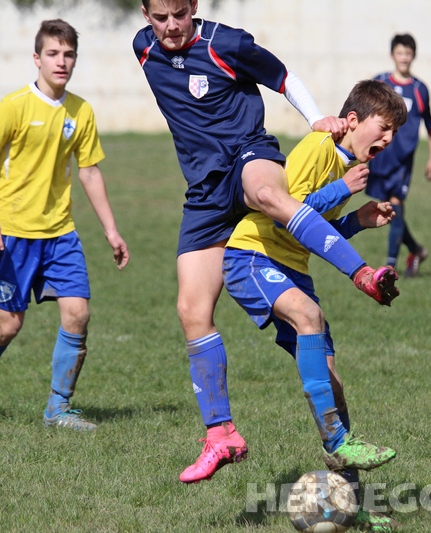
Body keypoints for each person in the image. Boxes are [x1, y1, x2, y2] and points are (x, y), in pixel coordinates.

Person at [133, 0, 399, 484]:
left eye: (180, 13)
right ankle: (221, 434)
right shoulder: (143, 48)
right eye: (160, 17)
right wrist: (351, 207)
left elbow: (282, 76)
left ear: (194, 6)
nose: (171, 25)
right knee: (191, 310)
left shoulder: (225, 42)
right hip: (205, 194)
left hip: (247, 154)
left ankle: (361, 273)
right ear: (145, 14)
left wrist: (317, 118)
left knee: (267, 194)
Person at [223, 79, 407, 530]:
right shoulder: (318, 147)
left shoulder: (345, 163)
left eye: (394, 133)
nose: (387, 140)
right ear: (352, 121)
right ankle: (337, 441)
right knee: (309, 315)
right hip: (253, 255)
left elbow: (315, 231)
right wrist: (342, 189)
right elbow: (287, 212)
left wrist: (358, 220)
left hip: (294, 268)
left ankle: (350, 500)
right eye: (382, 128)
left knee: (334, 383)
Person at [0, 19, 130, 430]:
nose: (61, 62)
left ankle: (58, 408)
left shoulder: (81, 111)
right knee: (8, 325)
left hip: (61, 232)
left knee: (78, 313)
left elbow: (89, 171)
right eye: (53, 54)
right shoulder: (14, 105)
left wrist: (111, 229)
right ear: (37, 58)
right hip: (13, 233)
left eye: (69, 54)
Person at [366, 33, 431, 277]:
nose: (404, 58)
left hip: (403, 158)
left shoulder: (419, 89)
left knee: (396, 203)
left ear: (413, 56)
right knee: (389, 209)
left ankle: (390, 266)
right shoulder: (380, 82)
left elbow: (429, 124)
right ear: (392, 55)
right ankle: (416, 250)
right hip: (380, 155)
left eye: (408, 53)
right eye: (400, 53)